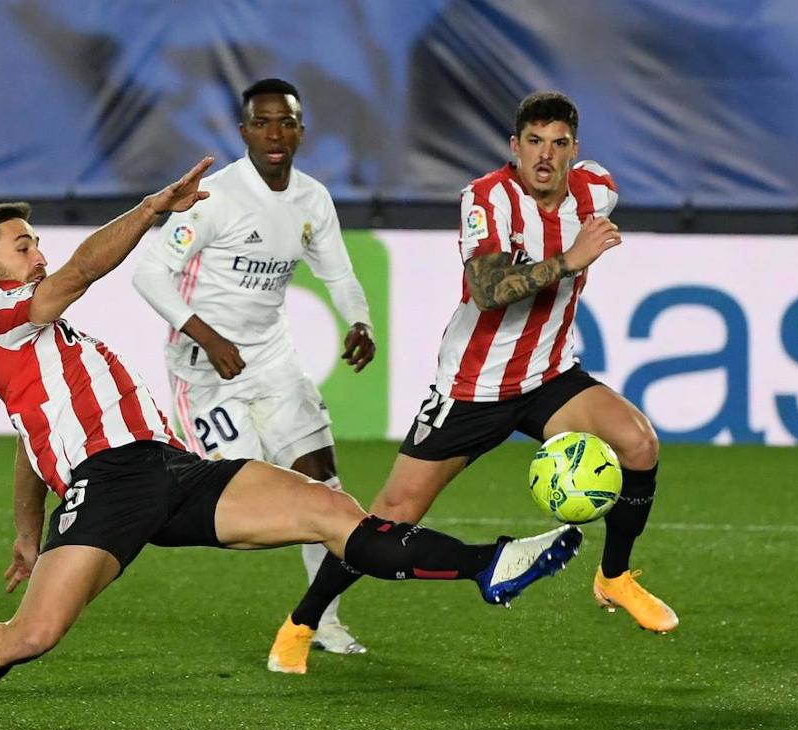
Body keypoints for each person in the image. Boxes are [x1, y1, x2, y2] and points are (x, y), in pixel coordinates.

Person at [0, 156, 584, 730]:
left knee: (331, 512)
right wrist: (151, 210)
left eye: (35, 238)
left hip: (170, 468)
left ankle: (491, 564)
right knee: (31, 636)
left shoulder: (44, 344)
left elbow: (26, 431)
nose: (37, 251)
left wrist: (23, 526)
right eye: (22, 242)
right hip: (108, 486)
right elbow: (77, 275)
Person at [270, 90, 678, 674]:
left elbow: (582, 216)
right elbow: (486, 291)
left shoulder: (596, 190)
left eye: (558, 144)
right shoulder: (486, 199)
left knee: (639, 443)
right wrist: (569, 259)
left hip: (550, 375)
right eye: (533, 142)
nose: (545, 156)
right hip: (473, 388)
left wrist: (574, 252)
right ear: (514, 147)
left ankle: (614, 576)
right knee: (389, 515)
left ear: (574, 151)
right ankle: (304, 621)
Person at [132, 78, 375, 662]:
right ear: (244, 132)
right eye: (262, 123)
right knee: (246, 501)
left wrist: (359, 321)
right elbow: (148, 275)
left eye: (286, 122)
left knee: (326, 489)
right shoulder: (214, 198)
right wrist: (207, 335)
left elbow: (338, 273)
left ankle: (321, 621)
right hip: (205, 368)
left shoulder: (312, 198)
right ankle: (142, 516)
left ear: (300, 129)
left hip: (271, 356)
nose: (275, 134)